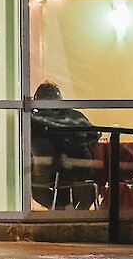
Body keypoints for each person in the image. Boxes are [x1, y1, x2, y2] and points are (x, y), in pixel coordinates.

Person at [29, 81, 100, 210]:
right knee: (98, 178)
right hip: (80, 170)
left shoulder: (32, 120)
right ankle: (80, 212)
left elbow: (21, 142)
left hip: (45, 172)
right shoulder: (75, 116)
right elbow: (95, 135)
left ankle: (60, 208)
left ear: (36, 100)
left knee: (23, 181)